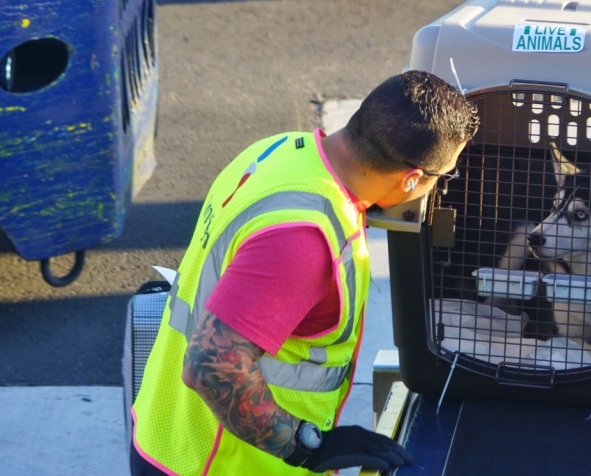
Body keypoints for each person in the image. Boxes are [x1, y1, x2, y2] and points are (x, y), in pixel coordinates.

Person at [130, 70, 479, 475]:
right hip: (222, 464)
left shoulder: (279, 152)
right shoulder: (306, 239)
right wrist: (305, 445)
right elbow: (211, 364)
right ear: (412, 178)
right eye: (442, 176)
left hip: (168, 434)